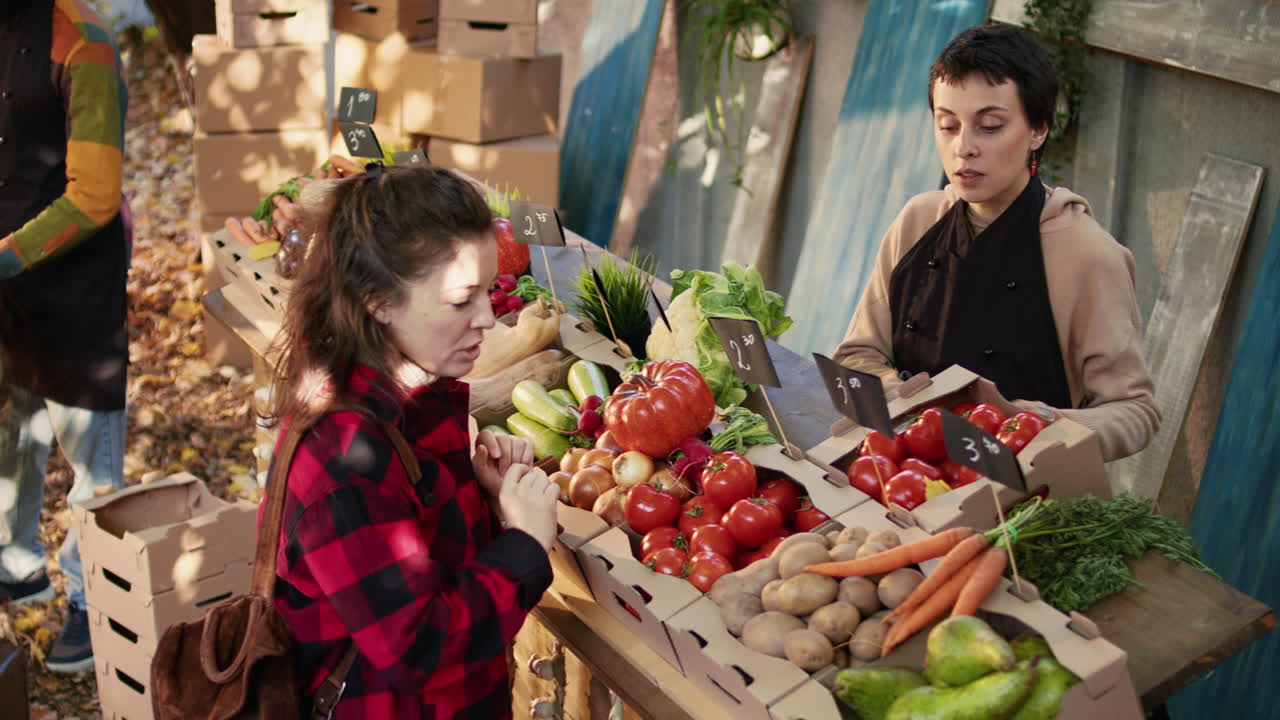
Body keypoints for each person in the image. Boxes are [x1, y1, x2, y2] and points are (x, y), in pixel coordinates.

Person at [263, 163, 560, 719]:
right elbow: (422, 647)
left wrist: (481, 494)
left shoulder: (406, 394)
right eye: (460, 300)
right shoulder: (344, 456)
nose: (489, 321)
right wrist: (524, 542)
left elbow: (418, 552)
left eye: (490, 292)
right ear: (377, 299)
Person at [834, 23, 1159, 462]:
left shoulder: (1087, 253)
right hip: (900, 476)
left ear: (1038, 130)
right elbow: (858, 353)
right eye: (948, 126)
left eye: (989, 126)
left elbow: (1135, 410)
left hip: (1028, 500)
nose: (963, 148)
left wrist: (1029, 422)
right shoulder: (916, 221)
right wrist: (913, 404)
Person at [0, 0, 130, 673]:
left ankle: (93, 599)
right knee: (16, 437)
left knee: (91, 463)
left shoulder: (85, 44)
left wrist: (6, 256)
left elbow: (95, 195)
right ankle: (19, 568)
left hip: (76, 290)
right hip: (12, 293)